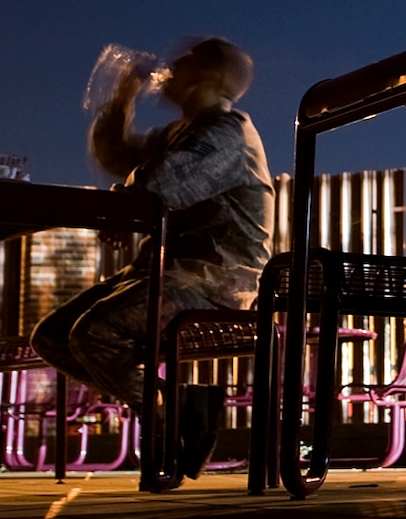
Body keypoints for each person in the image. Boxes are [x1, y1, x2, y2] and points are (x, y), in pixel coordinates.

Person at [31, 36, 272, 478]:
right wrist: (122, 98)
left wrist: (125, 205)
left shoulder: (226, 133)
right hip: (163, 275)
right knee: (53, 337)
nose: (168, 69)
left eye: (182, 63)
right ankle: (182, 405)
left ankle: (168, 421)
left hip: (213, 282)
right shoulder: (179, 134)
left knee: (93, 333)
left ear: (208, 77)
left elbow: (162, 184)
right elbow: (116, 156)